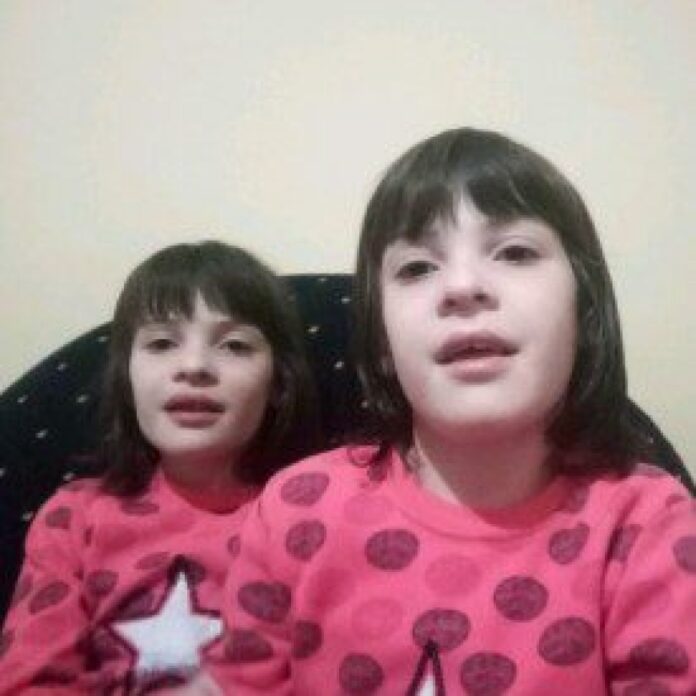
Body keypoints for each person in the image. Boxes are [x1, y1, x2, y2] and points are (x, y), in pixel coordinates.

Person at [220, 129, 696, 694]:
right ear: (380, 339)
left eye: (514, 253)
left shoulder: (651, 528)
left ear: (585, 313)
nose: (463, 287)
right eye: (418, 268)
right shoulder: (295, 511)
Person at [0, 240, 316, 694]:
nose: (194, 367)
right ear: (127, 379)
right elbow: (29, 682)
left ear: (279, 384)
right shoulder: (75, 516)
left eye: (234, 345)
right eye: (162, 343)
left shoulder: (310, 520)